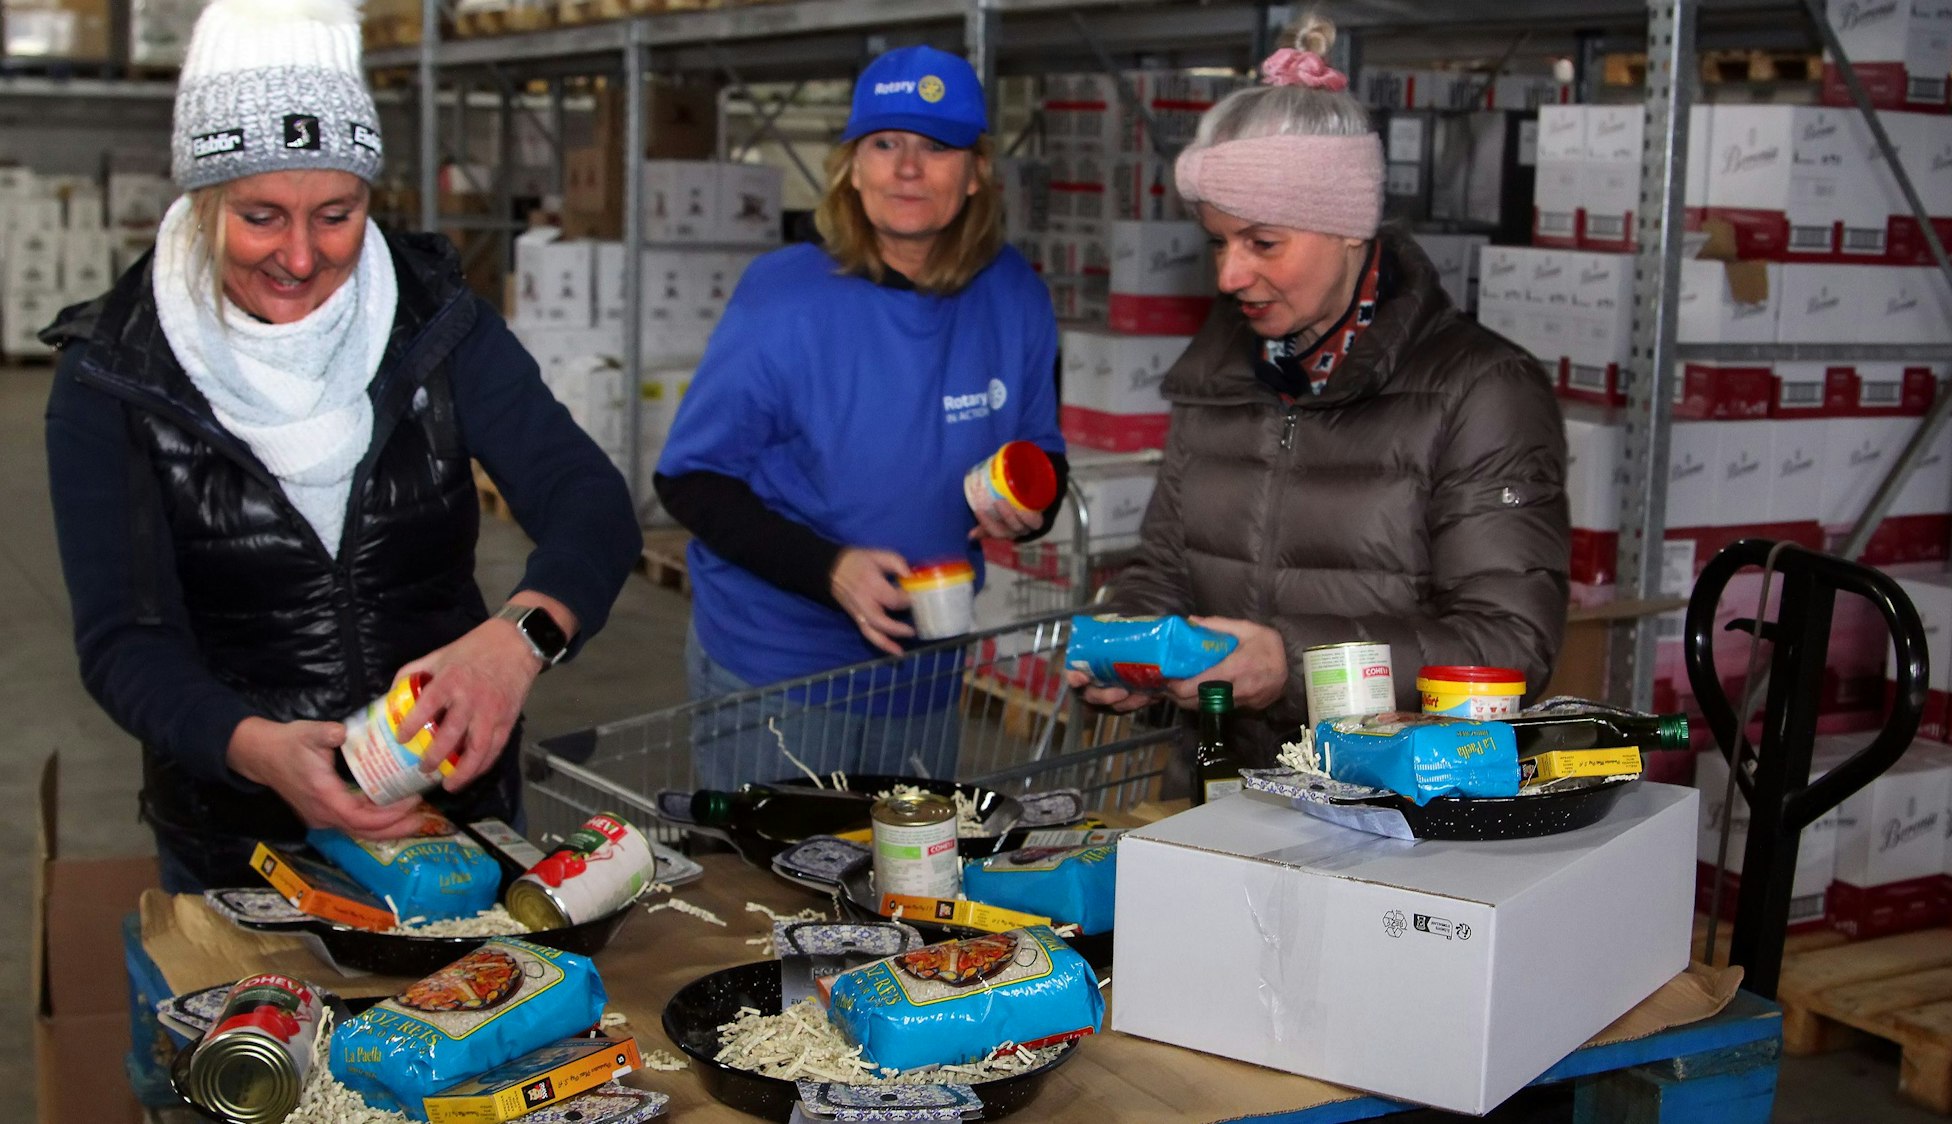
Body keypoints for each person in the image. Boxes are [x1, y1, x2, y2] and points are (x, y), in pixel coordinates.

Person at [42, 0, 641, 892]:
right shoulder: (113, 379)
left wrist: (515, 643)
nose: (300, 256)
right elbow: (127, 641)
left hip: (455, 819)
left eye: (336, 213)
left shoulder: (436, 326)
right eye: (260, 216)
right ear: (202, 203)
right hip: (241, 849)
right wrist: (256, 750)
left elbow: (586, 497)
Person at [1070, 14, 1569, 763]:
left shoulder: (1481, 391)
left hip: (1398, 808)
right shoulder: (1219, 377)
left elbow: (1507, 645)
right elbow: (1167, 568)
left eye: (1262, 242)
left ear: (1346, 229)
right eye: (1218, 241)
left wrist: (1292, 666)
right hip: (1224, 785)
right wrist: (1135, 649)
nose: (1229, 276)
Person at [657, 45, 1066, 789]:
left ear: (976, 172)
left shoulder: (1014, 294)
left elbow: (1041, 452)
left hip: (927, 669)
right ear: (850, 165)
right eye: (884, 144)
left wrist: (1028, 510)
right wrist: (830, 570)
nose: (907, 169)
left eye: (935, 146)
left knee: (905, 892)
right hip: (780, 673)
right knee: (767, 894)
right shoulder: (784, 297)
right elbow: (692, 479)